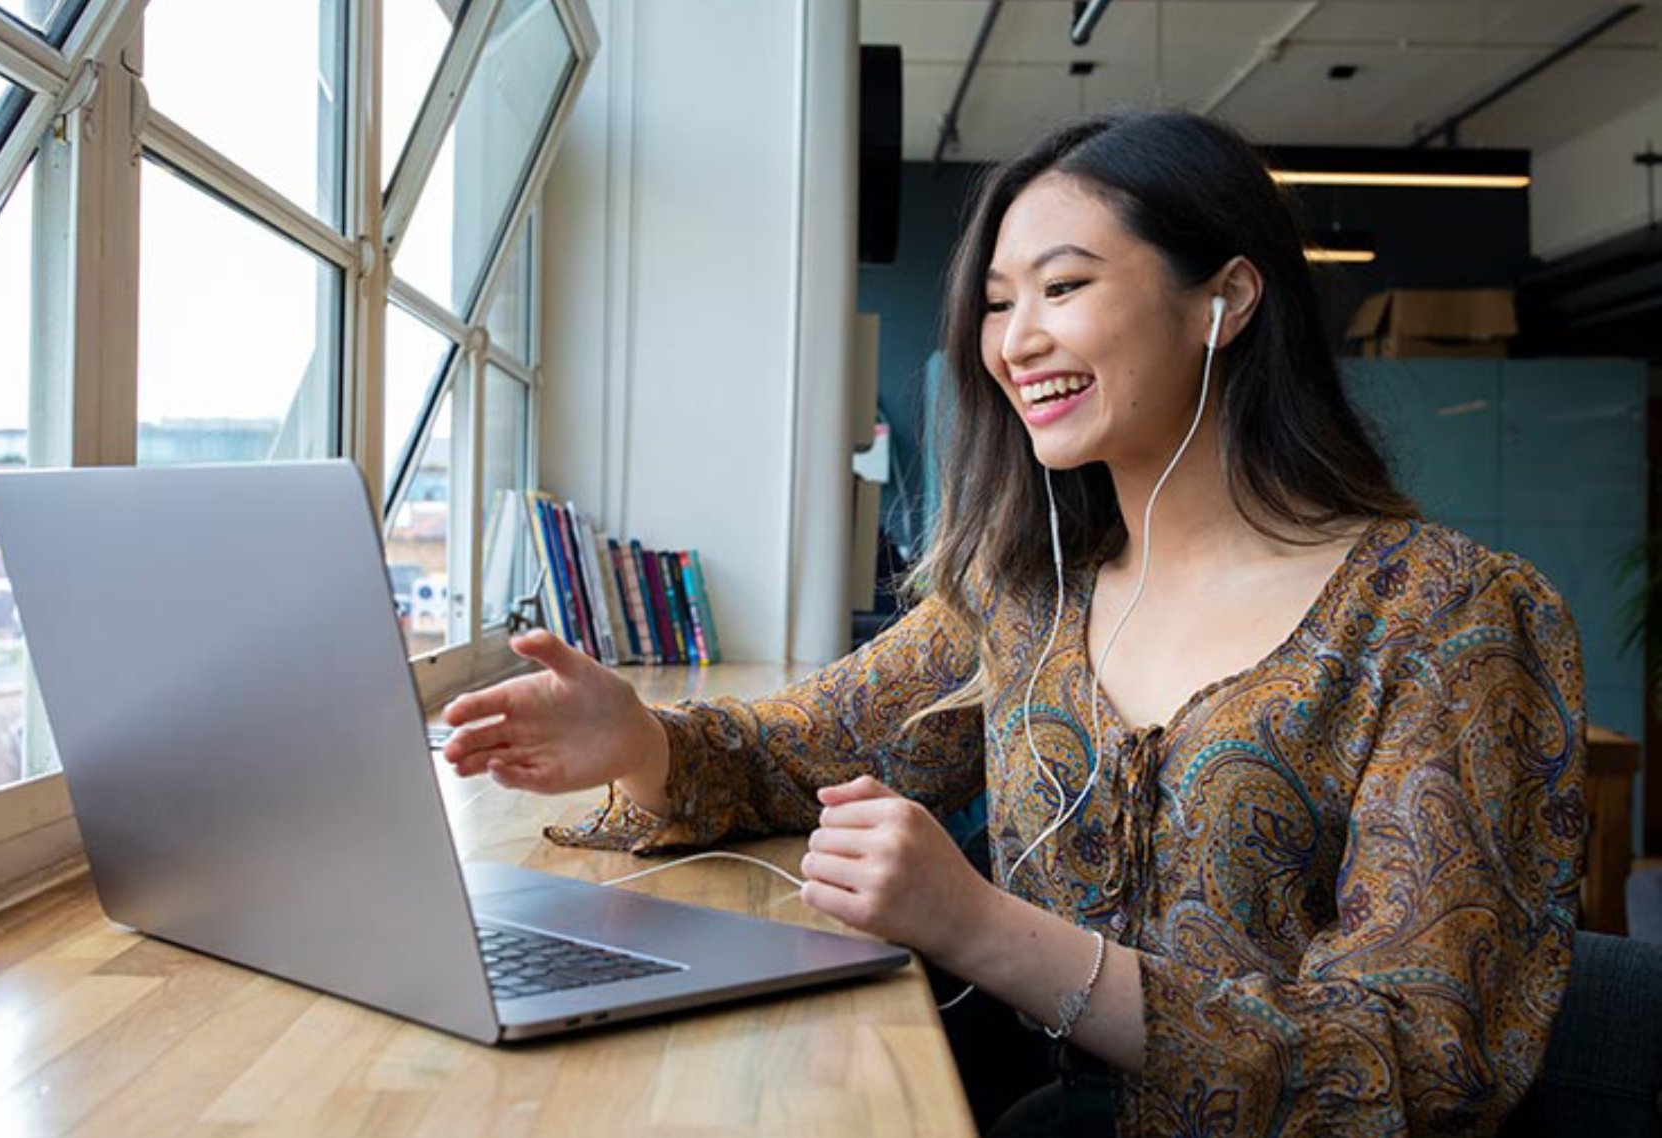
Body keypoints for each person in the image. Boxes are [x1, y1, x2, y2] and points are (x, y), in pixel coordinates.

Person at [441, 111, 1587, 1137]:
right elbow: (797, 751)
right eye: (998, 303)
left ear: (1224, 301)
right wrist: (631, 739)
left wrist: (981, 927)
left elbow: (1419, 1062)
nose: (1014, 341)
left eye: (1064, 286)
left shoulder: (1452, 618)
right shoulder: (1025, 593)